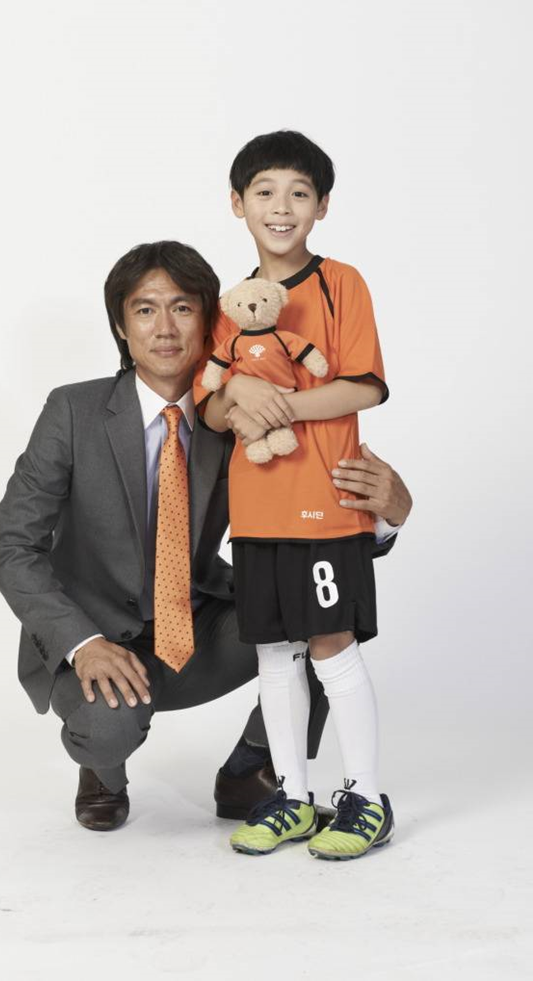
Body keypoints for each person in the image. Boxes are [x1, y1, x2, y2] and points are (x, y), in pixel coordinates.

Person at [0, 239, 412, 833]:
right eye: (145, 309)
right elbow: (11, 546)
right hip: (96, 631)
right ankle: (104, 769)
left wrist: (390, 515)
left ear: (212, 322)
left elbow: (313, 536)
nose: (165, 328)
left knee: (319, 616)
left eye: (183, 308)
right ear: (121, 326)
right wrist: (82, 642)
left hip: (201, 623)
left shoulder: (239, 418)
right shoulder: (72, 411)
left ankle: (252, 770)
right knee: (106, 726)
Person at [199, 130, 399, 860]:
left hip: (325, 501)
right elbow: (211, 407)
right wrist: (237, 397)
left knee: (329, 645)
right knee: (275, 654)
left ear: (321, 206)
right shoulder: (231, 303)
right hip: (257, 508)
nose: (280, 207)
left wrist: (275, 402)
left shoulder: (340, 282)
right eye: (264, 192)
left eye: (298, 193)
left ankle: (366, 796)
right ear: (237, 203)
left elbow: (362, 386)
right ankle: (291, 795)